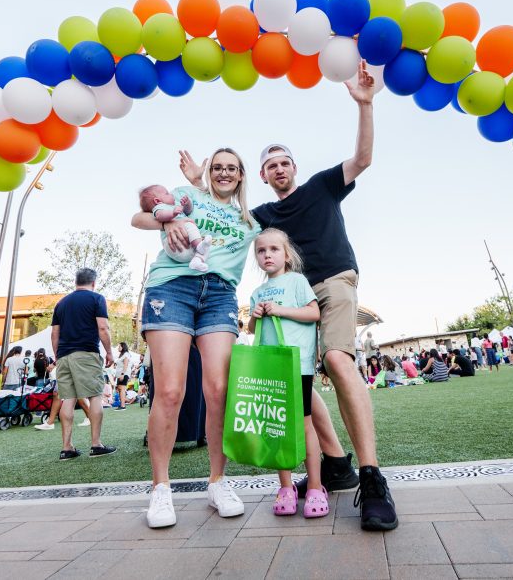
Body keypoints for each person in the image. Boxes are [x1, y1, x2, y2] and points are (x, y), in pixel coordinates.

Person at [232, 61, 397, 531]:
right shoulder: (263, 214)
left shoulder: (323, 186)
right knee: (297, 375)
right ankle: (335, 464)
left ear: (294, 168)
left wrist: (365, 105)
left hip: (334, 282)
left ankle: (371, 478)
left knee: (339, 361)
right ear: (263, 176)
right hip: (290, 294)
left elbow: (362, 158)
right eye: (270, 166)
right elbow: (227, 218)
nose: (279, 169)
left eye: (284, 162)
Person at [133, 147, 260, 529]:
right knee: (170, 391)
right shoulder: (188, 195)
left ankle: (218, 482)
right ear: (210, 172)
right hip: (171, 289)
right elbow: (138, 216)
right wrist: (164, 224)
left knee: (219, 389)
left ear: (241, 176)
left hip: (219, 295)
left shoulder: (251, 220)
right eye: (218, 167)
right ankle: (160, 488)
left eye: (231, 169)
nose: (224, 173)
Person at [247, 228, 328, 519]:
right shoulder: (257, 292)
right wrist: (254, 318)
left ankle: (316, 487)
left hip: (297, 363)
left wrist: (280, 310)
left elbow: (314, 313)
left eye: (273, 249)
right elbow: (252, 331)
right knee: (275, 424)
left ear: (286, 254)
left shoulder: (296, 281)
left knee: (304, 423)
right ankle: (285, 486)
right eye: (261, 250)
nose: (267, 255)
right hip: (269, 365)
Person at [50, 268, 118, 460]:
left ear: (76, 282)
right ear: (94, 283)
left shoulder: (61, 303)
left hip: (63, 355)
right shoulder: (97, 299)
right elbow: (103, 327)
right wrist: (110, 352)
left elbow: (54, 334)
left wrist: (57, 356)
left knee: (68, 399)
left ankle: (67, 448)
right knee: (95, 395)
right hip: (86, 353)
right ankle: (96, 445)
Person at [139, 184, 212, 272]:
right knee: (189, 223)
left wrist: (187, 204)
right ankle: (199, 245)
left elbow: (187, 211)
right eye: (167, 194)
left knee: (206, 248)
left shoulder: (175, 206)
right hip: (174, 243)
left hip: (185, 248)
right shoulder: (160, 207)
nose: (171, 195)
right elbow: (159, 216)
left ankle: (197, 261)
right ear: (158, 201)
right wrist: (172, 214)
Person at [113, 342, 131, 411]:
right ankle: (122, 405)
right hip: (120, 375)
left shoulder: (126, 354)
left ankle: (123, 406)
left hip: (124, 374)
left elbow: (125, 365)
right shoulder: (121, 355)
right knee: (120, 389)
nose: (118, 348)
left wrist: (122, 374)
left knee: (122, 389)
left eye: (119, 346)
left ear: (123, 347)